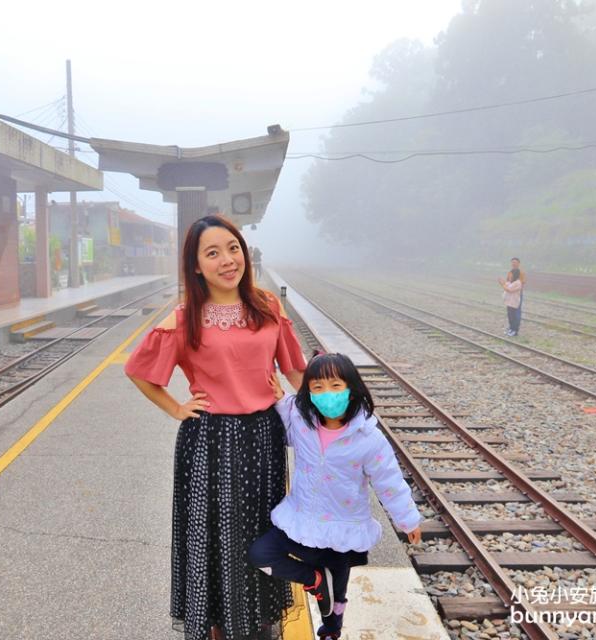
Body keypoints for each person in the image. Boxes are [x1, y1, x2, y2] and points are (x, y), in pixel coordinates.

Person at [125, 215, 306, 640]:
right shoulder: (185, 317)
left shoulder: (266, 305)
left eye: (233, 248)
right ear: (195, 266)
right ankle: (218, 626)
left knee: (263, 528)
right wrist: (175, 408)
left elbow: (294, 368)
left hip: (263, 436)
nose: (228, 260)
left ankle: (257, 621)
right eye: (213, 253)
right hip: (210, 440)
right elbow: (139, 370)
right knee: (217, 533)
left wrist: (332, 416)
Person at [248, 353, 422, 640]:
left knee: (334, 607)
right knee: (261, 555)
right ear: (309, 393)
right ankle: (316, 580)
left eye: (335, 385)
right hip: (300, 521)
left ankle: (330, 632)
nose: (327, 394)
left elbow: (389, 481)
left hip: (342, 531)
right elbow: (285, 415)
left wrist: (408, 520)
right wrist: (279, 396)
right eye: (317, 387)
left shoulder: (368, 438)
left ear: (351, 389)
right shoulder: (302, 420)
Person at [499, 268, 523, 336]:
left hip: (514, 302)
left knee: (514, 317)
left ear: (515, 275)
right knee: (510, 316)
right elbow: (506, 285)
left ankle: (515, 330)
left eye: (510, 275)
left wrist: (502, 284)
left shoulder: (518, 283)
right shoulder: (510, 282)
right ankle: (511, 329)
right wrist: (503, 282)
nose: (509, 276)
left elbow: (509, 290)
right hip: (509, 302)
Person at [507, 257, 526, 330]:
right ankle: (511, 327)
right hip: (510, 294)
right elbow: (508, 282)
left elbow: (522, 283)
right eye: (512, 262)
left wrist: (515, 289)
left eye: (515, 262)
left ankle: (515, 328)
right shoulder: (510, 272)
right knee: (510, 312)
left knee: (516, 311)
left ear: (518, 263)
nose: (513, 263)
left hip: (517, 294)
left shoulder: (521, 272)